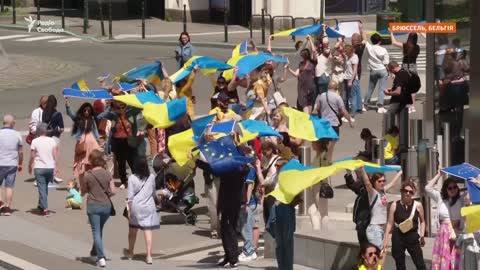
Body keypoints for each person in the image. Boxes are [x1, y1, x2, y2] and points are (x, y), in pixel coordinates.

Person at [81, 150, 116, 268]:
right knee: (99, 230)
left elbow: (84, 191)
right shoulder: (107, 173)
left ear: (91, 161)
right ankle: (94, 251)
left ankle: (100, 257)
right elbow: (113, 191)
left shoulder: (88, 175)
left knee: (96, 231)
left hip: (93, 205)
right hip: (106, 206)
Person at [384, 181, 427, 270]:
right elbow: (389, 223)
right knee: (400, 265)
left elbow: (422, 221)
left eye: (410, 192)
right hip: (398, 236)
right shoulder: (394, 205)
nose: (407, 193)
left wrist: (422, 236)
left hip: (412, 236)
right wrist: (386, 239)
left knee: (420, 264)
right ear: (401, 191)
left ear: (413, 193)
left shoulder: (418, 205)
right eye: (405, 191)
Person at [125, 157, 160, 265]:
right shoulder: (151, 177)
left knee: (132, 231)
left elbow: (130, 197)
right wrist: (158, 200)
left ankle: (130, 252)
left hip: (136, 206)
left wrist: (129, 211)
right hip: (149, 206)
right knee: (147, 231)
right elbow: (153, 192)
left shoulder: (132, 178)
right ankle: (149, 256)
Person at [426, 171, 463, 269]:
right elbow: (428, 188)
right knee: (443, 259)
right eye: (450, 188)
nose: (453, 189)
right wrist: (439, 174)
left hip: (456, 232)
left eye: (455, 187)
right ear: (445, 189)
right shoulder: (440, 198)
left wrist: (474, 181)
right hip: (443, 233)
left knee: (455, 259)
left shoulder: (461, 199)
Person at [360, 168, 402, 250]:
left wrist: (400, 172)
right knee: (378, 255)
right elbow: (367, 183)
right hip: (374, 229)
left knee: (379, 254)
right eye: (379, 181)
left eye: (383, 181)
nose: (382, 183)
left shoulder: (383, 192)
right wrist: (362, 168)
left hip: (381, 229)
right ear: (374, 182)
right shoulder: (373, 193)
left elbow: (392, 183)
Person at [313, 80, 354, 163]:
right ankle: (328, 161)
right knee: (331, 145)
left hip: (323, 124)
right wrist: (350, 120)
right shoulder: (337, 97)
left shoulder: (322, 96)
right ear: (336, 88)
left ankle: (321, 160)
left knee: (323, 144)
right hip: (334, 124)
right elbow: (343, 111)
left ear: (328, 87)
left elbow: (317, 109)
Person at [271, 158, 301, 270]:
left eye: (278, 166)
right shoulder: (277, 177)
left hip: (287, 209)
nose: (276, 167)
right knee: (279, 243)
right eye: (275, 165)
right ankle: (281, 266)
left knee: (287, 242)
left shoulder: (289, 178)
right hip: (278, 210)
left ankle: (287, 267)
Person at [65, 98, 100, 183]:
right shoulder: (79, 118)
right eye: (85, 110)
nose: (86, 112)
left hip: (91, 142)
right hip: (81, 142)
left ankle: (91, 181)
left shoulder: (92, 119)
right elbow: (71, 114)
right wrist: (67, 105)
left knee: (92, 160)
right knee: (80, 161)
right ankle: (82, 182)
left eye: (88, 111)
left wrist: (98, 140)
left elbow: (95, 131)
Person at [29, 123, 59, 217]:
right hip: (50, 167)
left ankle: (45, 208)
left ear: (38, 131)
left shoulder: (35, 141)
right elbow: (55, 155)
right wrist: (57, 166)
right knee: (44, 187)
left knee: (41, 188)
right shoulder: (52, 140)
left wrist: (29, 165)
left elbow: (32, 155)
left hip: (39, 167)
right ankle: (41, 205)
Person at [360, 24, 390, 113]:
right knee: (381, 89)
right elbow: (386, 63)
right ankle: (380, 107)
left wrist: (362, 29)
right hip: (382, 71)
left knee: (370, 88)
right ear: (380, 41)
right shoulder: (384, 50)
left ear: (372, 41)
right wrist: (390, 73)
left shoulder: (369, 47)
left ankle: (365, 105)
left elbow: (364, 38)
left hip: (373, 71)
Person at [384, 61, 413, 152]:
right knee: (402, 122)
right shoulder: (405, 73)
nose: (391, 73)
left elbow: (398, 92)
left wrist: (389, 93)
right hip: (405, 101)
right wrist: (392, 89)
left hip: (397, 101)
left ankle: (388, 142)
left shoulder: (399, 76)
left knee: (388, 117)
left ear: (392, 68)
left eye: (390, 71)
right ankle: (401, 144)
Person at [391, 32, 420, 113]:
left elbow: (394, 42)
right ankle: (413, 106)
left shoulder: (405, 46)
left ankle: (407, 105)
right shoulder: (417, 47)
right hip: (413, 66)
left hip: (405, 67)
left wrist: (391, 33)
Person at [0, 114, 23, 216]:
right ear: (12, 123)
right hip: (12, 163)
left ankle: (0, 201)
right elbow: (21, 151)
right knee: (9, 186)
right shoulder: (17, 134)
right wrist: (20, 163)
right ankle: (7, 207)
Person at [285, 47, 317, 114]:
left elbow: (314, 51)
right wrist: (288, 68)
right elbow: (296, 74)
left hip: (305, 86)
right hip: (306, 86)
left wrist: (310, 39)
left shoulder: (312, 62)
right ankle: (308, 118)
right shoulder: (307, 63)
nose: (301, 57)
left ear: (304, 56)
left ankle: (307, 118)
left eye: (302, 56)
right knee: (309, 103)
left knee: (306, 103)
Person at [343, 44, 361, 121]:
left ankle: (352, 115)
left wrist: (351, 81)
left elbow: (355, 71)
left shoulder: (354, 57)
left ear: (349, 52)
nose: (345, 53)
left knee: (352, 97)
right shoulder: (349, 56)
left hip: (352, 79)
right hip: (346, 78)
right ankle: (347, 113)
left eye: (346, 52)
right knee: (346, 97)